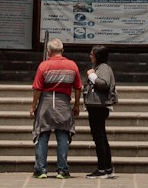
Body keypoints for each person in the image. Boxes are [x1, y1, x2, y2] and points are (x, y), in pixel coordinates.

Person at [31, 37, 82, 179]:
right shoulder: (72, 65)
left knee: (42, 135)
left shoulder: (44, 66)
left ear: (49, 51)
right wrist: (77, 105)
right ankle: (62, 170)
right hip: (64, 104)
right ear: (62, 50)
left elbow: (37, 89)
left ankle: (41, 170)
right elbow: (78, 87)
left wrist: (33, 106)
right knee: (63, 136)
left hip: (46, 103)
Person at [82, 45, 116, 179]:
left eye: (92, 54)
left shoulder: (103, 68)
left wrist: (91, 76)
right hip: (96, 106)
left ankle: (102, 169)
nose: (90, 56)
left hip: (98, 106)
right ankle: (107, 167)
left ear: (97, 56)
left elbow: (104, 84)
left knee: (99, 138)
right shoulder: (101, 68)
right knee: (101, 137)